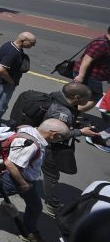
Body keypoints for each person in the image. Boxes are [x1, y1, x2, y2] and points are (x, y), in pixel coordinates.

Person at [0, 119, 71, 242]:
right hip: (17, 180)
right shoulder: (31, 145)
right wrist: (23, 184)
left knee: (35, 206)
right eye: (61, 138)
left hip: (25, 179)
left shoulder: (28, 128)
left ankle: (29, 232)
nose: (60, 141)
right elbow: (10, 164)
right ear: (54, 135)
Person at [41, 83, 102, 215]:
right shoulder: (63, 112)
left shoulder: (58, 97)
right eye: (88, 98)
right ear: (76, 97)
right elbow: (56, 136)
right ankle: (52, 205)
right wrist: (81, 132)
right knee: (51, 176)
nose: (89, 101)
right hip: (49, 147)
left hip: (41, 140)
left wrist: (74, 125)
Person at [72, 25, 110, 112]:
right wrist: (80, 76)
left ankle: (72, 112)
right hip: (90, 76)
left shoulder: (107, 43)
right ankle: (72, 112)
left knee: (79, 96)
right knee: (95, 98)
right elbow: (87, 59)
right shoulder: (102, 44)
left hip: (93, 76)